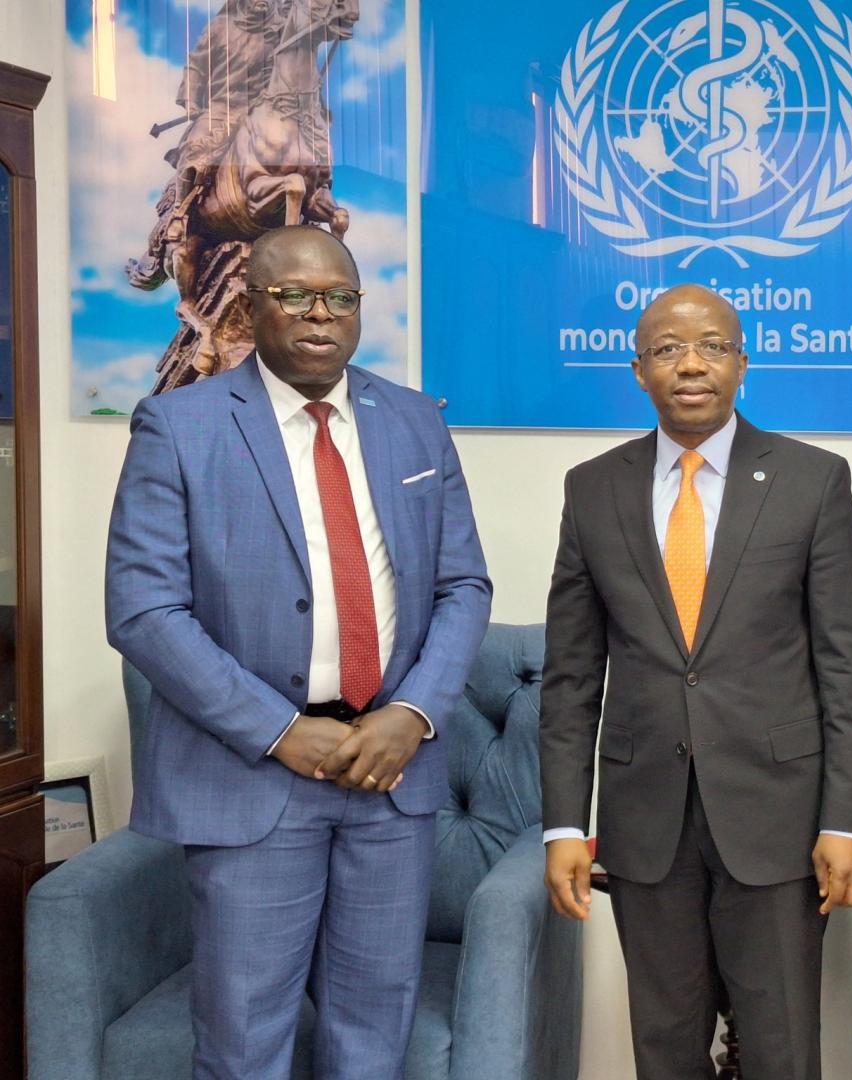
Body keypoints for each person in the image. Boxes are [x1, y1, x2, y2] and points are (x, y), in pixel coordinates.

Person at [105, 225, 491, 1080]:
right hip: (251, 781)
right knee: (244, 1041)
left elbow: (464, 586)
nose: (320, 314)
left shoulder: (416, 421)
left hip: (391, 776)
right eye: (294, 295)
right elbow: (142, 609)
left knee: (372, 1035)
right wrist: (279, 730)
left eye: (340, 297)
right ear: (250, 306)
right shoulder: (179, 425)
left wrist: (413, 713)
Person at [540, 284, 852, 1080]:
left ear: (743, 362)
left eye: (712, 346)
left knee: (780, 1047)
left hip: (780, 818)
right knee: (664, 1046)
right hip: (645, 823)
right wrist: (563, 824)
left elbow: (848, 666)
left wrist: (847, 821)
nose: (690, 364)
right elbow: (570, 676)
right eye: (667, 349)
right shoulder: (593, 489)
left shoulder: (812, 480)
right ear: (637, 371)